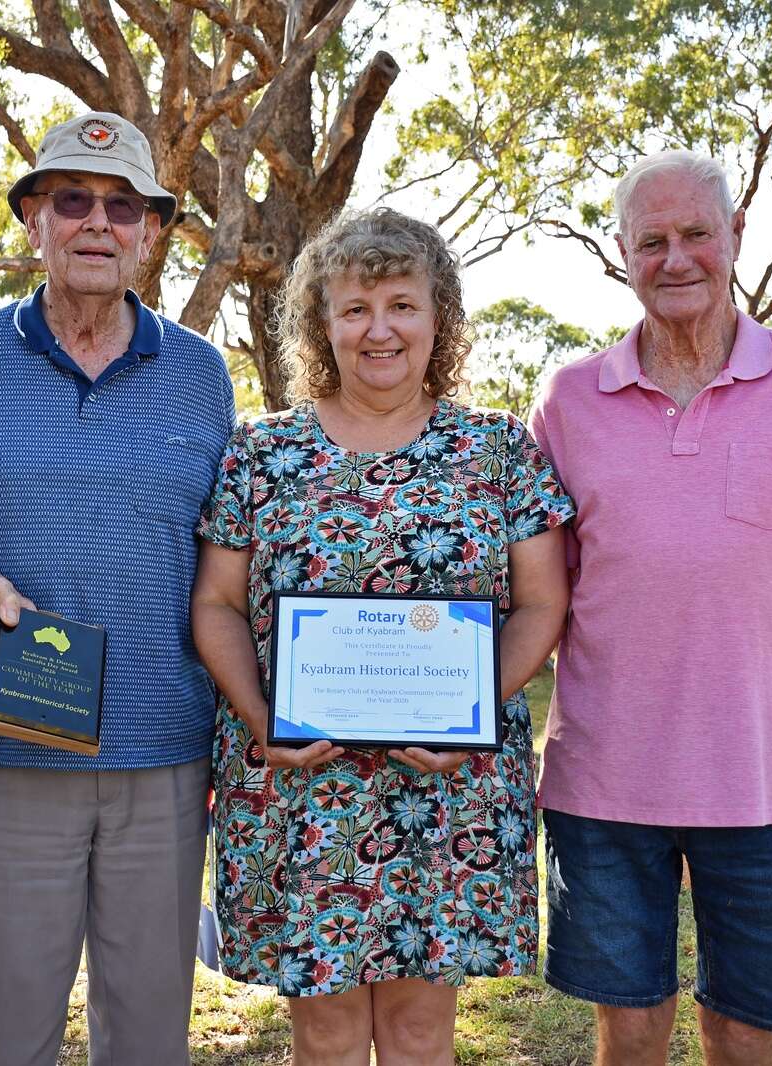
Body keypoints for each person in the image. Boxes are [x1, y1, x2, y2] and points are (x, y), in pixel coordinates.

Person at [527, 149, 772, 1066]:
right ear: (621, 253)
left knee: (743, 1034)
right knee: (628, 1026)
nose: (676, 257)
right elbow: (538, 591)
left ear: (736, 237)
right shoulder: (569, 399)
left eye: (697, 233)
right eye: (650, 240)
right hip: (606, 780)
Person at [190, 206, 572, 1064]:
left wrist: (468, 710)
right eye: (354, 307)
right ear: (320, 323)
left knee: (416, 1031)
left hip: (445, 792)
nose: (379, 328)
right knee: (322, 1034)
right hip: (298, 786)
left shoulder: (498, 449)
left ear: (439, 317)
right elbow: (215, 604)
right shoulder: (262, 453)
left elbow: (542, 604)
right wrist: (261, 718)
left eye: (402, 304)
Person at [0, 112, 235, 1066]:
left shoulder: (202, 376)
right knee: (7, 1037)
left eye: (123, 206)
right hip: (2, 763)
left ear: (152, 232)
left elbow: (230, 563)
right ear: (32, 219)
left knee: (148, 1040)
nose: (98, 222)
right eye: (72, 200)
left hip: (165, 764)